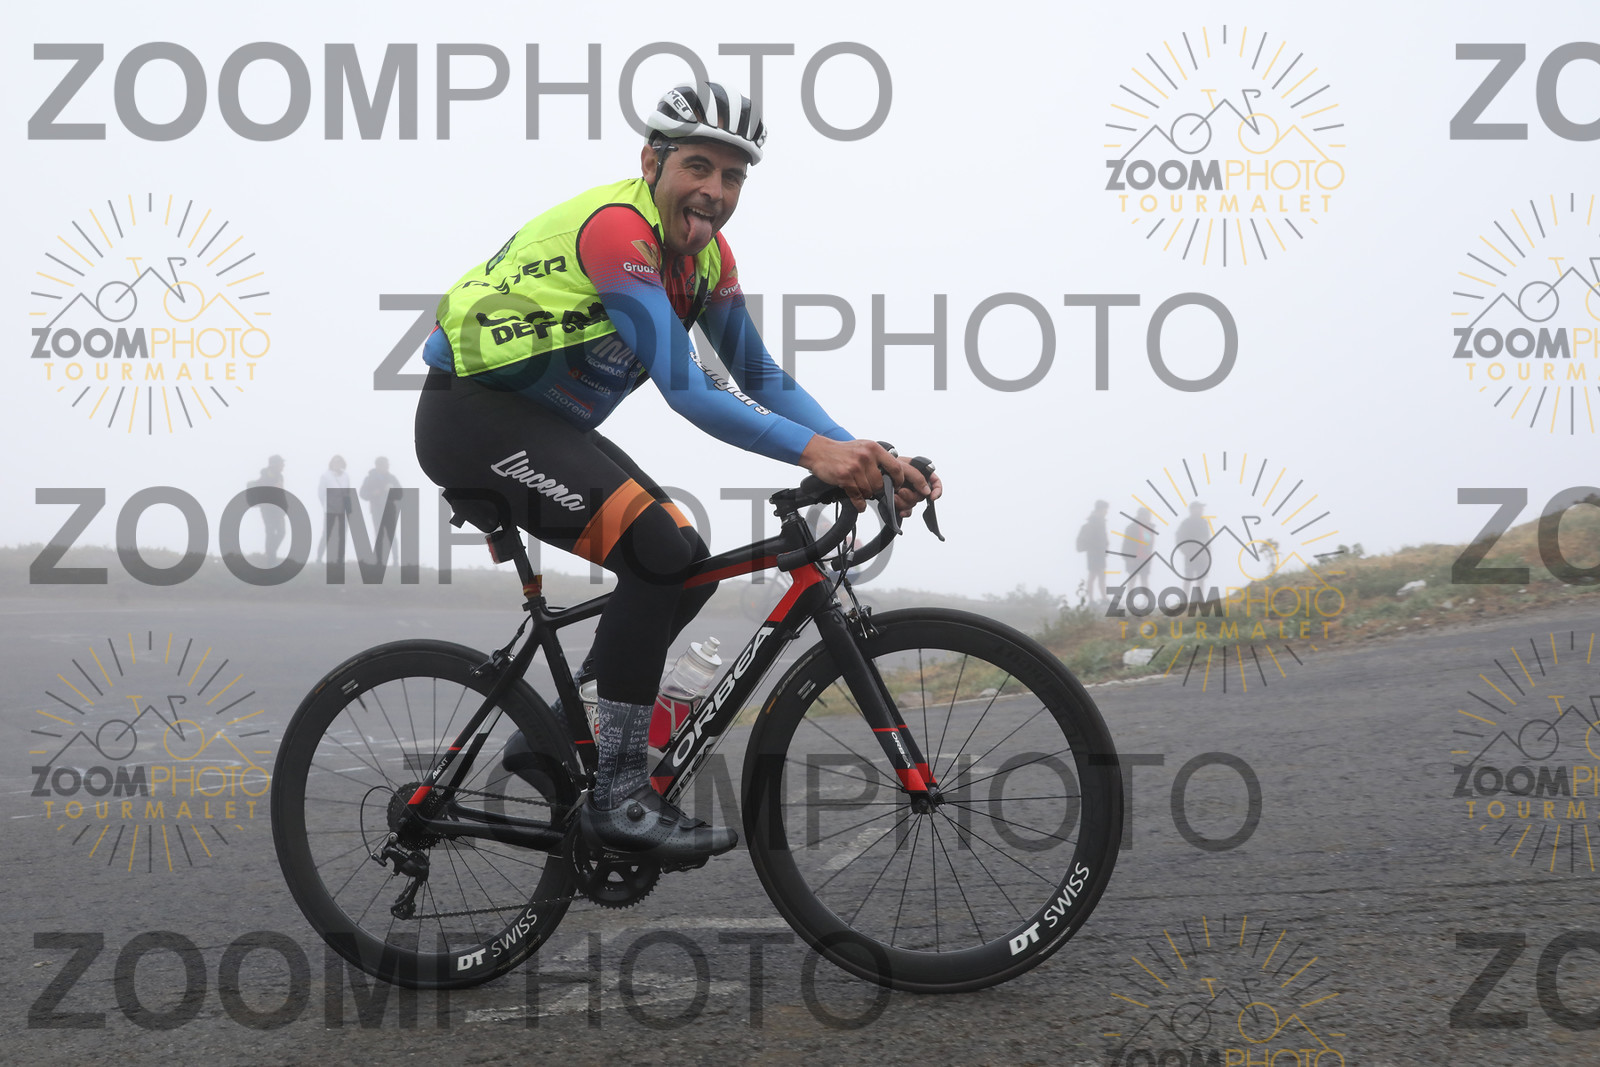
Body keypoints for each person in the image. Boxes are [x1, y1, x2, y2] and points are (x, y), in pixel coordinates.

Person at [414, 82, 939, 865]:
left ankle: (552, 736)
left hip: (542, 426)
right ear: (651, 162)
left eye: (733, 177)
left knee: (683, 559)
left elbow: (758, 375)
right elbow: (688, 388)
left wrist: (862, 453)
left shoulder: (708, 260)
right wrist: (815, 454)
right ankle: (620, 792)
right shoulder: (618, 234)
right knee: (656, 549)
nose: (715, 191)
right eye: (698, 167)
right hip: (472, 417)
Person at [360, 456, 403, 564]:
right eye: (385, 465)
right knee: (379, 535)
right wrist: (373, 494)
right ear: (378, 466)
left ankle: (395, 561)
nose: (387, 467)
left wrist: (391, 492)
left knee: (391, 535)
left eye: (387, 465)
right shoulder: (370, 478)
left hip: (390, 510)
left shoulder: (392, 478)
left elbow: (400, 494)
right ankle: (379, 561)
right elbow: (362, 494)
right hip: (376, 510)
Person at [316, 455, 352, 565]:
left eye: (339, 462)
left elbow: (347, 492)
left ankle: (340, 560)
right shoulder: (326, 476)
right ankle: (319, 558)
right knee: (327, 534)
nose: (337, 464)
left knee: (342, 535)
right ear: (331, 463)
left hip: (343, 510)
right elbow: (321, 493)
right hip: (330, 510)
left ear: (342, 464)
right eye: (335, 462)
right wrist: (326, 505)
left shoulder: (346, 476)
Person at [251, 455, 286, 562]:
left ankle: (269, 553)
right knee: (270, 532)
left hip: (278, 509)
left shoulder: (280, 476)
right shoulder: (265, 476)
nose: (283, 465)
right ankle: (271, 559)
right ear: (274, 464)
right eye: (281, 463)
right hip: (267, 509)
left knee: (281, 532)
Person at [1173, 501, 1210, 599]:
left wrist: (1207, 554)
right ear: (1192, 510)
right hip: (1190, 556)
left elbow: (1207, 539)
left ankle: (1199, 601)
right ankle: (1184, 602)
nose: (1201, 510)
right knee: (1188, 578)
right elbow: (1179, 538)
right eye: (1199, 508)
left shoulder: (1204, 523)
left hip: (1202, 556)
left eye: (1201, 508)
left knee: (1201, 579)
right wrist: (1187, 552)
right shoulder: (1186, 523)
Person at [1076, 501, 1109, 604]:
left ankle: (1102, 599)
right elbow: (1094, 538)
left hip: (1098, 552)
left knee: (1099, 576)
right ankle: (1093, 600)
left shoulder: (1099, 521)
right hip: (1094, 553)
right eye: (1105, 509)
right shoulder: (1095, 521)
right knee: (1094, 576)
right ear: (1100, 509)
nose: (1106, 511)